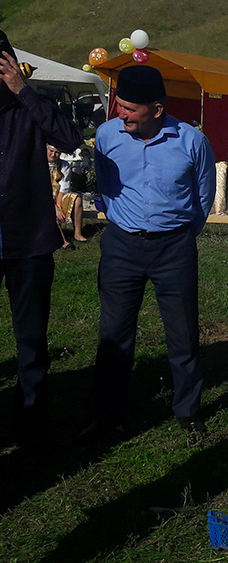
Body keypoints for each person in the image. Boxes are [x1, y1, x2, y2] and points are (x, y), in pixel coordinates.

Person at [89, 65, 215, 436]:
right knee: (114, 333)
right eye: (119, 105)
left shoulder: (192, 142)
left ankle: (188, 411)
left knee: (182, 333)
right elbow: (106, 186)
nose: (121, 114)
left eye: (130, 109)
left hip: (173, 248)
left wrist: (178, 233)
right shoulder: (106, 136)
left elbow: (203, 196)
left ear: (157, 109)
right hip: (122, 245)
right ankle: (108, 414)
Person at [0, 30, 83, 443]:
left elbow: (70, 139)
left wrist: (24, 92)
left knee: (31, 339)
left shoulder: (30, 108)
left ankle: (32, 423)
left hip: (28, 241)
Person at [47, 144, 87, 246]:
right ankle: (61, 240)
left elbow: (64, 187)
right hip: (44, 197)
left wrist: (58, 207)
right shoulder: (39, 164)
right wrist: (55, 209)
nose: (53, 155)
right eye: (51, 151)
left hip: (59, 196)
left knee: (77, 199)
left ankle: (77, 233)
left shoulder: (64, 165)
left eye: (56, 152)